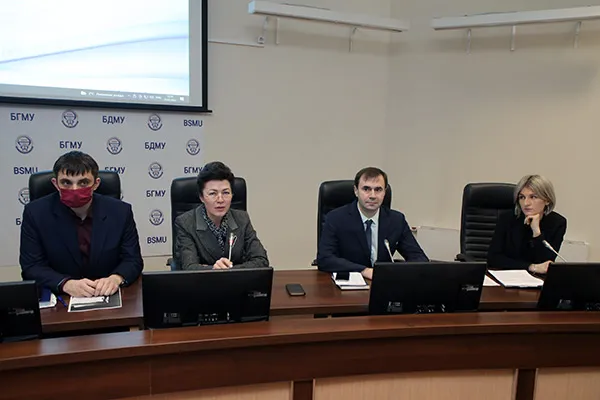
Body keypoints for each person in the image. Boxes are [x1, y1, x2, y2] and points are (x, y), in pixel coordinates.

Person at [20, 151, 143, 297]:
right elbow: (31, 267)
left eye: (83, 182)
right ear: (55, 184)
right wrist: (65, 284)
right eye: (66, 182)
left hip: (106, 294)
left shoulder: (120, 211)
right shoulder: (35, 213)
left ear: (96, 184)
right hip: (61, 297)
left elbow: (133, 260)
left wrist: (116, 278)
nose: (75, 189)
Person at [317, 167, 429, 279]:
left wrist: (397, 272)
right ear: (356, 191)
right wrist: (364, 270)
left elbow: (419, 258)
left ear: (385, 192)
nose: (372, 196)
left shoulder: (396, 220)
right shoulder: (336, 218)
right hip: (348, 282)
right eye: (366, 189)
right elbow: (324, 259)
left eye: (378, 190)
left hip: (383, 283)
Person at [174, 161, 269, 270]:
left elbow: (261, 260)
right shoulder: (185, 223)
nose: (220, 200)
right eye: (212, 193)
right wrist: (214, 270)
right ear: (201, 197)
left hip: (238, 280)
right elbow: (189, 267)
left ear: (232, 194)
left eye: (225, 193)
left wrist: (226, 270)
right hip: (202, 281)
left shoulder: (242, 219)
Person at [487, 174, 566, 274]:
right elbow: (493, 258)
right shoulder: (507, 218)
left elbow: (545, 264)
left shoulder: (557, 223)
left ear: (547, 200)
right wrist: (530, 267)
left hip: (537, 280)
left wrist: (537, 233)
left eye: (533, 197)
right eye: (522, 197)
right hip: (506, 276)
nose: (526, 203)